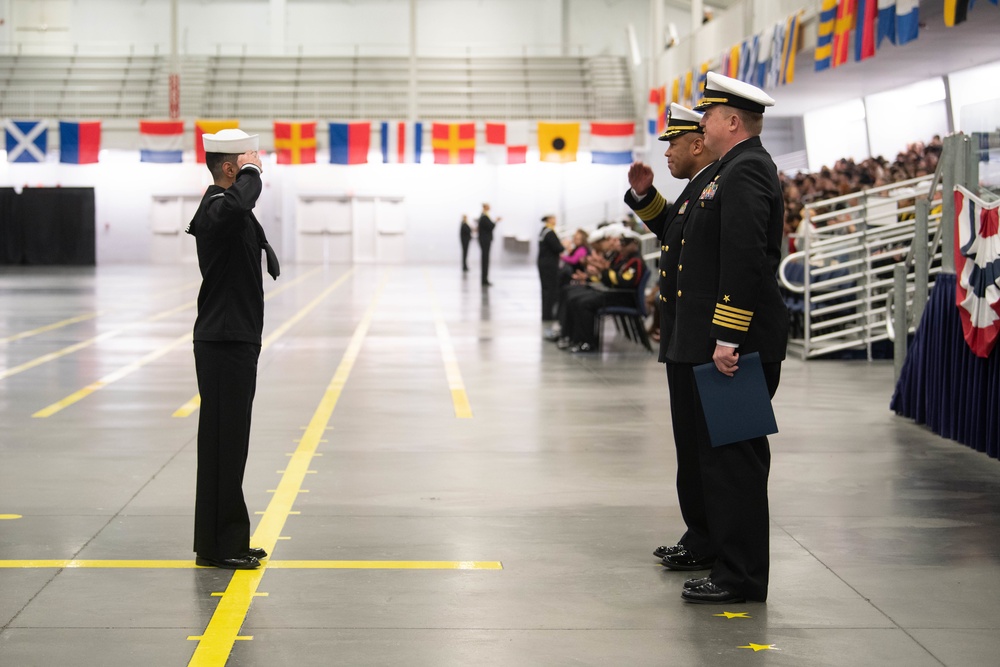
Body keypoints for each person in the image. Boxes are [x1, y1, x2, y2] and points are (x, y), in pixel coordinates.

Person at [635, 72, 787, 604]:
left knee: (735, 463)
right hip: (717, 343)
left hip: (734, 347)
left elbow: (745, 259)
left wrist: (727, 335)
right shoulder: (730, 170)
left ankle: (740, 576)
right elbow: (689, 241)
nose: (700, 126)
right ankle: (723, 556)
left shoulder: (746, 171)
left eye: (706, 117)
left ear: (730, 121)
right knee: (714, 459)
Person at [625, 103, 719, 575]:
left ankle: (715, 541)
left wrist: (727, 334)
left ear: (697, 144)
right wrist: (645, 197)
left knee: (713, 450)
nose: (666, 152)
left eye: (673, 143)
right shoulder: (694, 191)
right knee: (690, 446)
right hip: (686, 340)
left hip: (710, 342)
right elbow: (674, 232)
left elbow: (739, 265)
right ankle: (700, 535)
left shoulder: (722, 185)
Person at [186, 128, 280, 570]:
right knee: (225, 442)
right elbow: (243, 200)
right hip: (224, 341)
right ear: (230, 168)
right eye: (245, 161)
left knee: (229, 443)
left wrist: (246, 169)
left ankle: (224, 539)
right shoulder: (217, 206)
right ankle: (221, 545)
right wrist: (251, 171)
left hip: (234, 338)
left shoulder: (226, 208)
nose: (256, 163)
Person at [537, 214, 563, 328]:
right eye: (554, 218)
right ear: (549, 219)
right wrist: (564, 245)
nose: (555, 220)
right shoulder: (549, 232)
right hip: (549, 264)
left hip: (543, 263)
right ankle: (548, 314)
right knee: (550, 289)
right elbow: (558, 248)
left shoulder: (543, 231)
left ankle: (546, 314)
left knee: (545, 289)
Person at [478, 203, 500, 286]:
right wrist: (496, 221)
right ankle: (484, 279)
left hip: (484, 240)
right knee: (485, 260)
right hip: (485, 241)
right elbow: (491, 226)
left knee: (485, 260)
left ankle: (485, 279)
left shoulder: (483, 216)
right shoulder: (484, 217)